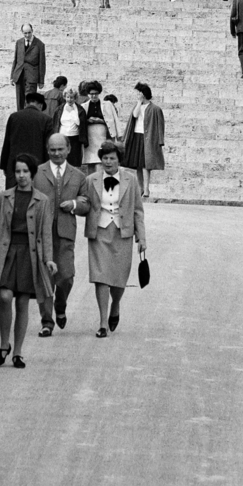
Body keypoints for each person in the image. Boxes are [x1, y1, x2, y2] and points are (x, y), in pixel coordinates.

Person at [0, 153, 55, 367]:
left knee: (23, 302)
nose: (21, 175)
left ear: (32, 174)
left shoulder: (42, 200)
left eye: (25, 171)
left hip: (29, 255)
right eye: (18, 171)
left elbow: (46, 233)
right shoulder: (4, 197)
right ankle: (3, 344)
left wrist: (49, 259)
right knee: (5, 296)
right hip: (7, 253)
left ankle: (17, 352)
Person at [85, 139, 147, 337]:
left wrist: (142, 237)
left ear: (119, 159)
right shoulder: (91, 180)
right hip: (99, 233)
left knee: (119, 280)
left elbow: (138, 210)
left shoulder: (131, 180)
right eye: (105, 158)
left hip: (122, 233)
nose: (108, 162)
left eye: (112, 158)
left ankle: (116, 304)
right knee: (100, 277)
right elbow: (84, 204)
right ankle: (103, 321)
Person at [34, 134, 90, 334]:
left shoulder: (78, 176)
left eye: (60, 149)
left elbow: (87, 203)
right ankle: (47, 322)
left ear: (68, 149)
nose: (56, 153)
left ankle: (61, 304)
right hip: (41, 234)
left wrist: (74, 204)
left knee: (66, 276)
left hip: (65, 232)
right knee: (45, 279)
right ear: (47, 150)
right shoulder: (37, 172)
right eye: (52, 149)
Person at [0, 89, 53, 183]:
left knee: (13, 195)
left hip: (14, 166)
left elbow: (7, 143)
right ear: (40, 105)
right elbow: (48, 146)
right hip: (37, 167)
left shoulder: (14, 117)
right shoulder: (46, 120)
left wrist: (4, 165)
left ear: (26, 103)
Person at [120, 83, 165, 195]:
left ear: (144, 94)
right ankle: (140, 188)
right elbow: (135, 116)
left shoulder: (155, 109)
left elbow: (160, 126)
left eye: (139, 93)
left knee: (146, 165)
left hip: (148, 138)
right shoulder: (137, 106)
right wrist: (139, 103)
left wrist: (160, 141)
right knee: (138, 164)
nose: (137, 95)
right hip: (136, 136)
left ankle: (146, 188)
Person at [10, 23, 47, 107]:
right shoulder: (19, 42)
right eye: (25, 33)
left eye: (29, 32)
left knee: (30, 100)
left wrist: (41, 81)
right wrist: (12, 76)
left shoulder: (39, 44)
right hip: (19, 75)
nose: (27, 35)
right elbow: (16, 60)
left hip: (32, 76)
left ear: (32, 31)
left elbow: (42, 63)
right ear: (22, 32)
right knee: (19, 100)